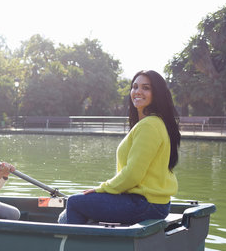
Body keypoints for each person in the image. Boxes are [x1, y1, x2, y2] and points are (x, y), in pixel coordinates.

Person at [58, 70, 181, 225]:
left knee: (74, 203)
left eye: (146, 88)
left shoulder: (149, 125)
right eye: (135, 87)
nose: (138, 92)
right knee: (70, 210)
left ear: (157, 93)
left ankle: (74, 248)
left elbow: (133, 175)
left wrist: (101, 189)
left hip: (145, 204)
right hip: (150, 203)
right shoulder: (154, 123)